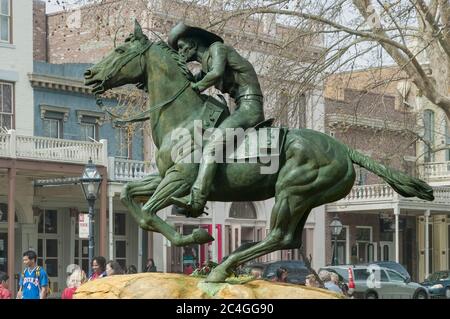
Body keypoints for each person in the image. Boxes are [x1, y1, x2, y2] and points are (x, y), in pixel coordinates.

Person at [169, 22, 266, 217]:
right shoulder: (206, 63)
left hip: (249, 106)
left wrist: (197, 87)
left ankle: (197, 199)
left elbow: (216, 74)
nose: (180, 52)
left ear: (194, 45)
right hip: (240, 106)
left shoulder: (217, 49)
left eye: (181, 47)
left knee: (213, 144)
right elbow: (193, 83)